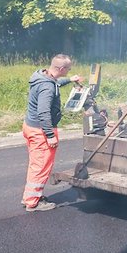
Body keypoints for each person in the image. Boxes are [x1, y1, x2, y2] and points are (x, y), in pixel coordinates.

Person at [21, 54, 81, 212]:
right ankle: (33, 203)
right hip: (40, 131)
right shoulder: (47, 87)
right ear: (62, 69)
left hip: (30, 127)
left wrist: (70, 79)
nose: (69, 70)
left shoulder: (43, 77)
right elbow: (43, 112)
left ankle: (30, 196)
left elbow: (55, 83)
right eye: (69, 69)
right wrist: (50, 135)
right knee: (41, 167)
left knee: (36, 165)